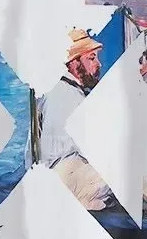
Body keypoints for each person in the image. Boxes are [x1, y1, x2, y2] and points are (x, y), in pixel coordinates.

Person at [37, 28, 103, 168]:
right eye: (91, 58)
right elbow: (56, 157)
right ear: (73, 63)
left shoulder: (70, 91)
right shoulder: (62, 96)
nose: (99, 64)